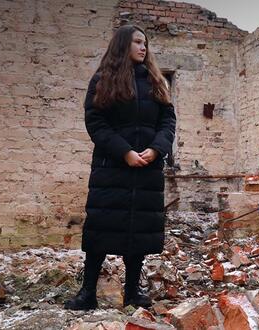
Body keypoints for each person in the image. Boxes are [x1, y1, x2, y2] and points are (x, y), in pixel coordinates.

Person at [64, 25, 176, 310]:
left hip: (147, 170)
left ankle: (132, 293)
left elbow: (167, 121)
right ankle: (87, 292)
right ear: (123, 44)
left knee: (139, 232)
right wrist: (124, 151)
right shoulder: (103, 79)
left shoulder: (155, 81)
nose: (143, 47)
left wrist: (156, 148)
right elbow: (95, 122)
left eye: (146, 43)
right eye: (138, 42)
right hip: (111, 168)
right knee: (101, 229)